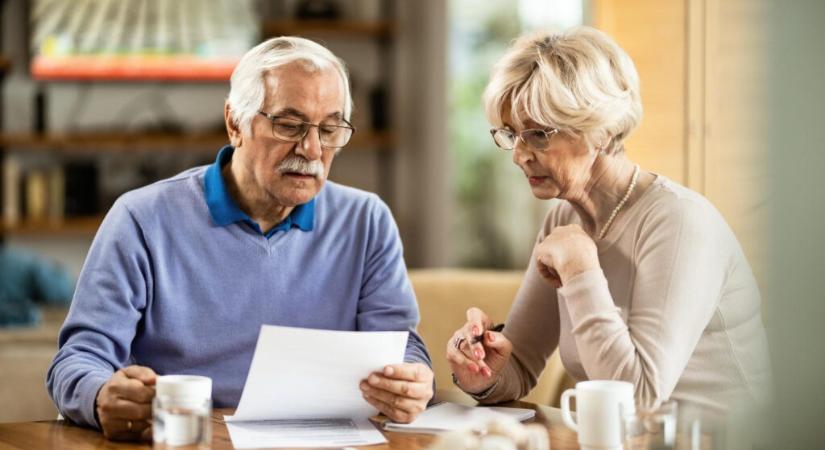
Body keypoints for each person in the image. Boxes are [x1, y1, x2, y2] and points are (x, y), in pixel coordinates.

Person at [47, 37, 434, 441]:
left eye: (330, 128)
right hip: (189, 440)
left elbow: (401, 346)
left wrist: (412, 381)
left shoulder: (367, 220)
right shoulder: (141, 219)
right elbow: (76, 361)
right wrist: (99, 396)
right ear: (235, 123)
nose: (312, 148)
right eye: (289, 124)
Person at [446, 27, 771, 413]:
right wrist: (483, 374)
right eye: (511, 134)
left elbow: (639, 396)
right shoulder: (564, 221)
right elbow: (520, 364)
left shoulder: (680, 222)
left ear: (598, 130)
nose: (519, 155)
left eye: (537, 134)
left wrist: (581, 269)